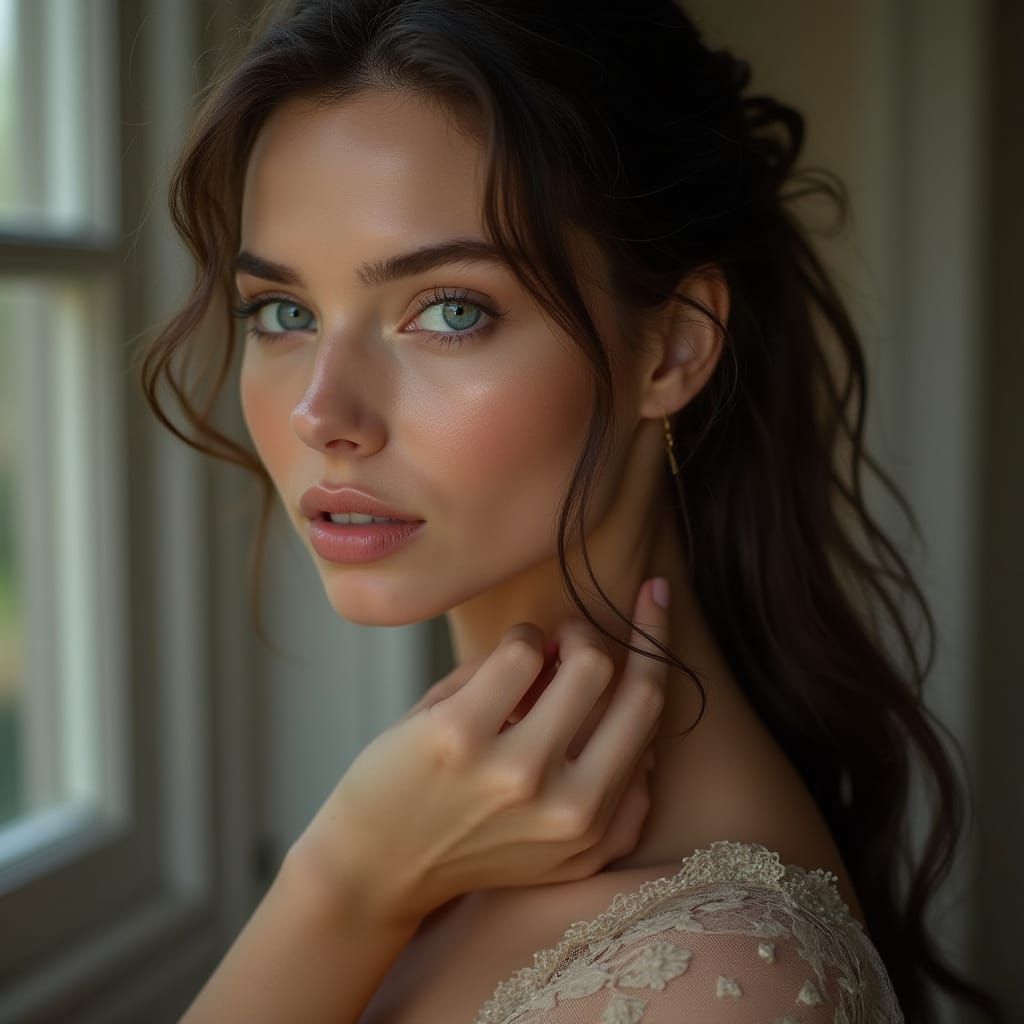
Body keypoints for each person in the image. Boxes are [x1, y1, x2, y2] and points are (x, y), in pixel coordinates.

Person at [135, 2, 1003, 1023]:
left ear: (673, 348)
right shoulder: (436, 806)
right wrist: (353, 874)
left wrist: (339, 885)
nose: (324, 413)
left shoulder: (719, 988)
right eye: (283, 312)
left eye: (449, 310)